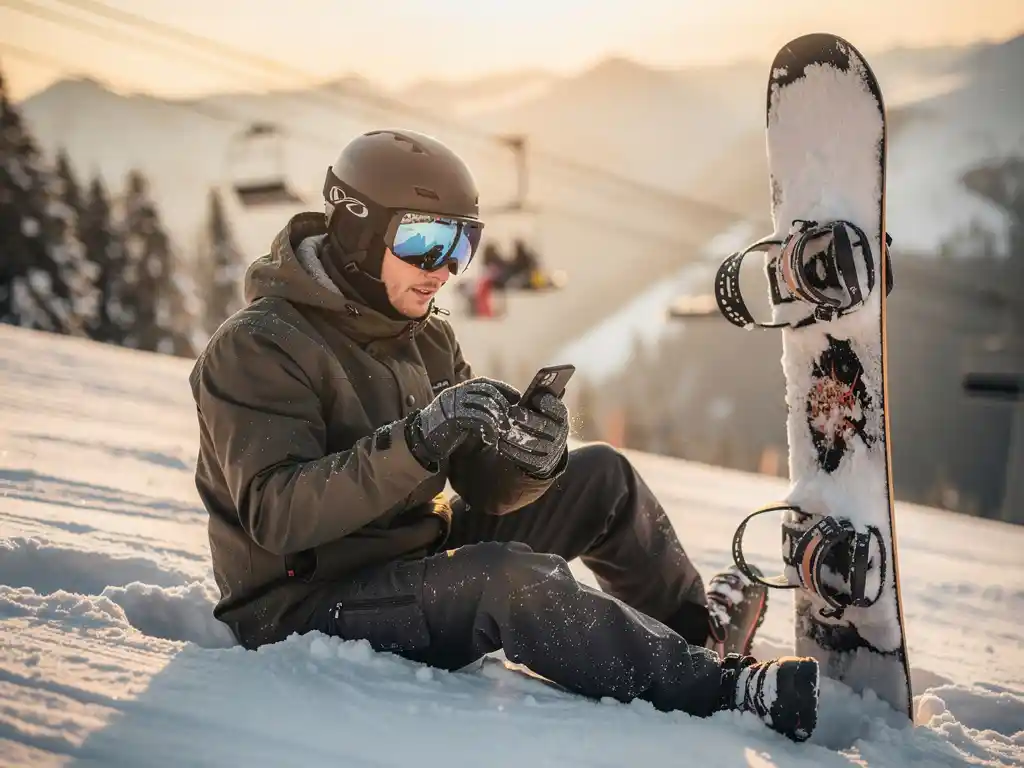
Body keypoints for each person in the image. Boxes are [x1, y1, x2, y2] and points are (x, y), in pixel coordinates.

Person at [189, 128, 820, 743]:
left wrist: (531, 460)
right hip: (303, 606)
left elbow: (483, 487)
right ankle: (719, 689)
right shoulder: (258, 345)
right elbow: (278, 515)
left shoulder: (425, 335)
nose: (443, 270)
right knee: (502, 578)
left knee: (599, 476)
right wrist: (417, 442)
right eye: (424, 240)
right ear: (358, 228)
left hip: (410, 559)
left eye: (461, 245)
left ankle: (695, 635)